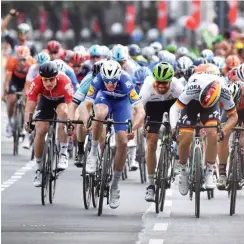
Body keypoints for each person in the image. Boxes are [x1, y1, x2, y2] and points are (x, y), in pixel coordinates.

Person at [80, 60, 145, 209]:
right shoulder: (97, 80)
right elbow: (86, 106)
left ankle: (115, 185)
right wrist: (87, 121)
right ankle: (94, 153)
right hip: (104, 99)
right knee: (100, 114)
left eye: (114, 81)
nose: (111, 84)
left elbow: (140, 111)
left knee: (122, 142)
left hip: (122, 103)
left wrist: (133, 129)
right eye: (107, 81)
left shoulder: (126, 81)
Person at [169, 64, 238, 195]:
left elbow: (233, 116)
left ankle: (210, 171)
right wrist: (173, 128)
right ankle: (183, 170)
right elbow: (175, 108)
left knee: (213, 133)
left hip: (212, 104)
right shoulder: (192, 87)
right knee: (185, 135)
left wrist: (224, 130)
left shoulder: (224, 91)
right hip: (192, 103)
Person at [139, 62, 184, 201]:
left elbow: (185, 108)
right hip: (153, 106)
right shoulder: (147, 87)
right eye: (158, 82)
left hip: (173, 105)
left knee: (181, 133)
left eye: (165, 83)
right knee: (151, 143)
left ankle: (177, 158)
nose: (161, 86)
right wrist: (141, 125)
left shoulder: (178, 87)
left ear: (171, 81)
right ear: (154, 80)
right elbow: (139, 109)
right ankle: (151, 185)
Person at [24, 62, 74, 187]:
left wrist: (70, 122)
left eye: (51, 79)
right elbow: (30, 104)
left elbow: (71, 105)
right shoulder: (36, 82)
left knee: (63, 115)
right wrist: (27, 122)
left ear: (56, 77)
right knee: (40, 130)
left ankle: (63, 153)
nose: (48, 83)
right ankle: (39, 169)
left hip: (61, 102)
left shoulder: (65, 81)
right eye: (45, 80)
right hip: (45, 101)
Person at [3, 46, 36, 137]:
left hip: (27, 80)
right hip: (15, 80)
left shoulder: (33, 63)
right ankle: (10, 122)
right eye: (19, 59)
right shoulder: (12, 61)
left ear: (28, 58)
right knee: (11, 99)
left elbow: (33, 81)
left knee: (27, 101)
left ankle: (24, 122)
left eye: (24, 60)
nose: (21, 62)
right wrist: (6, 89)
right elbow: (8, 78)